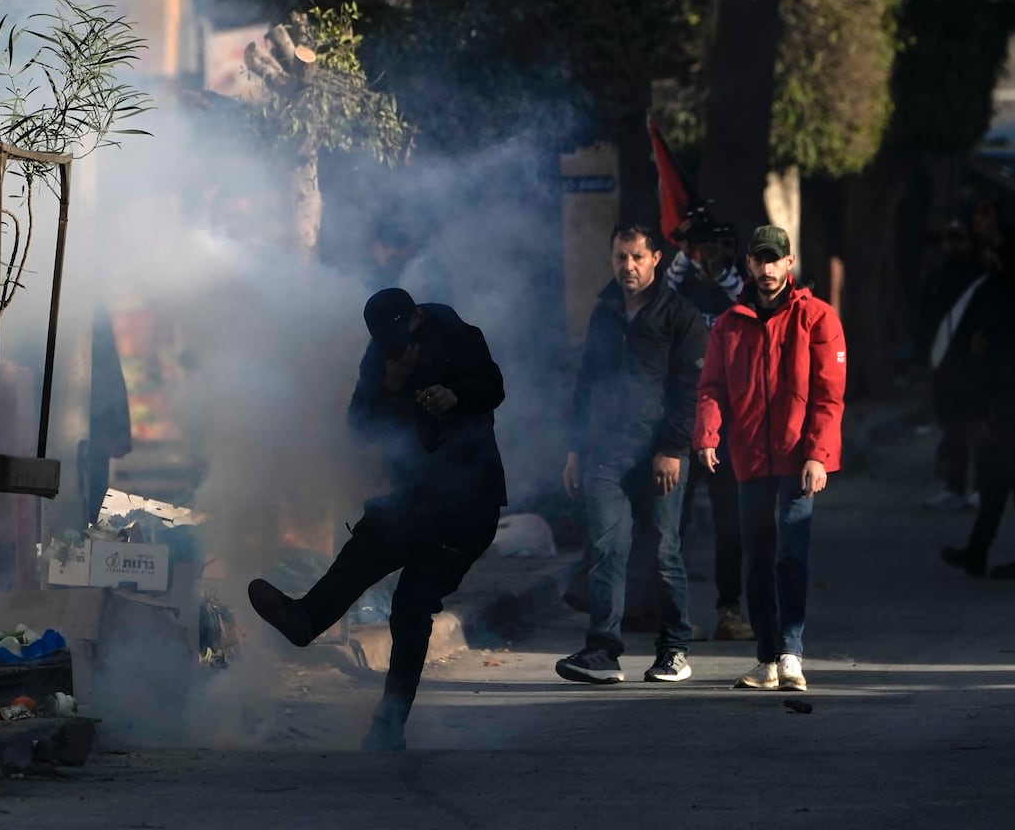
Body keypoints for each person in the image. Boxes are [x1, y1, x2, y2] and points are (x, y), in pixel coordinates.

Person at [246, 287, 506, 751]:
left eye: (400, 339)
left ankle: (389, 724)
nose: (395, 349)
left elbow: (494, 387)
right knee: (368, 544)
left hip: (468, 503)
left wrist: (454, 395)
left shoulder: (457, 334)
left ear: (418, 319)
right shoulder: (381, 356)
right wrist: (390, 385)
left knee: (412, 603)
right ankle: (306, 617)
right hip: (415, 495)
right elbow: (359, 428)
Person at [694, 225, 846, 693]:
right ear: (749, 265)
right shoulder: (729, 324)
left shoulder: (817, 318)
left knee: (790, 555)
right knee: (756, 559)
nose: (766, 269)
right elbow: (713, 388)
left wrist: (818, 456)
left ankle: (791, 652)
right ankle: (766, 658)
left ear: (789, 262)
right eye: (759, 260)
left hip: (798, 459)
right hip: (750, 459)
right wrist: (707, 434)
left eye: (774, 259)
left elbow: (828, 395)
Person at [555, 221, 707, 685]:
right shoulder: (604, 313)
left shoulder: (680, 314)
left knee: (664, 551)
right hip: (607, 452)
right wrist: (575, 449)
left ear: (656, 258)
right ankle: (602, 650)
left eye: (637, 257)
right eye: (621, 257)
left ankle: (674, 648)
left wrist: (672, 449)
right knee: (605, 548)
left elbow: (690, 389)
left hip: (659, 455)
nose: (628, 267)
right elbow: (587, 382)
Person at [942, 201, 1015, 580]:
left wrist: (989, 342)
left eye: (988, 216)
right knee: (998, 473)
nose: (980, 223)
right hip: (1000, 389)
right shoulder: (992, 273)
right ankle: (980, 549)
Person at [666, 217, 753, 641]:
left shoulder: (739, 293)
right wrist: (687, 251)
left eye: (722, 247)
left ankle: (729, 608)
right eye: (706, 247)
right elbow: (661, 291)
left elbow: (748, 300)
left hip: (729, 426)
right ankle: (675, 612)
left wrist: (722, 271)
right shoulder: (679, 289)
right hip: (682, 419)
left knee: (730, 524)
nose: (712, 255)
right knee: (674, 522)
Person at [919, 219, 985, 511]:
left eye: (960, 238)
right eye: (950, 237)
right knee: (953, 428)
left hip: (976, 367)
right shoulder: (935, 279)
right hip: (944, 366)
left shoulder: (979, 279)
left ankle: (983, 489)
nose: (954, 244)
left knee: (979, 428)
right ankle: (954, 487)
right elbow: (923, 324)